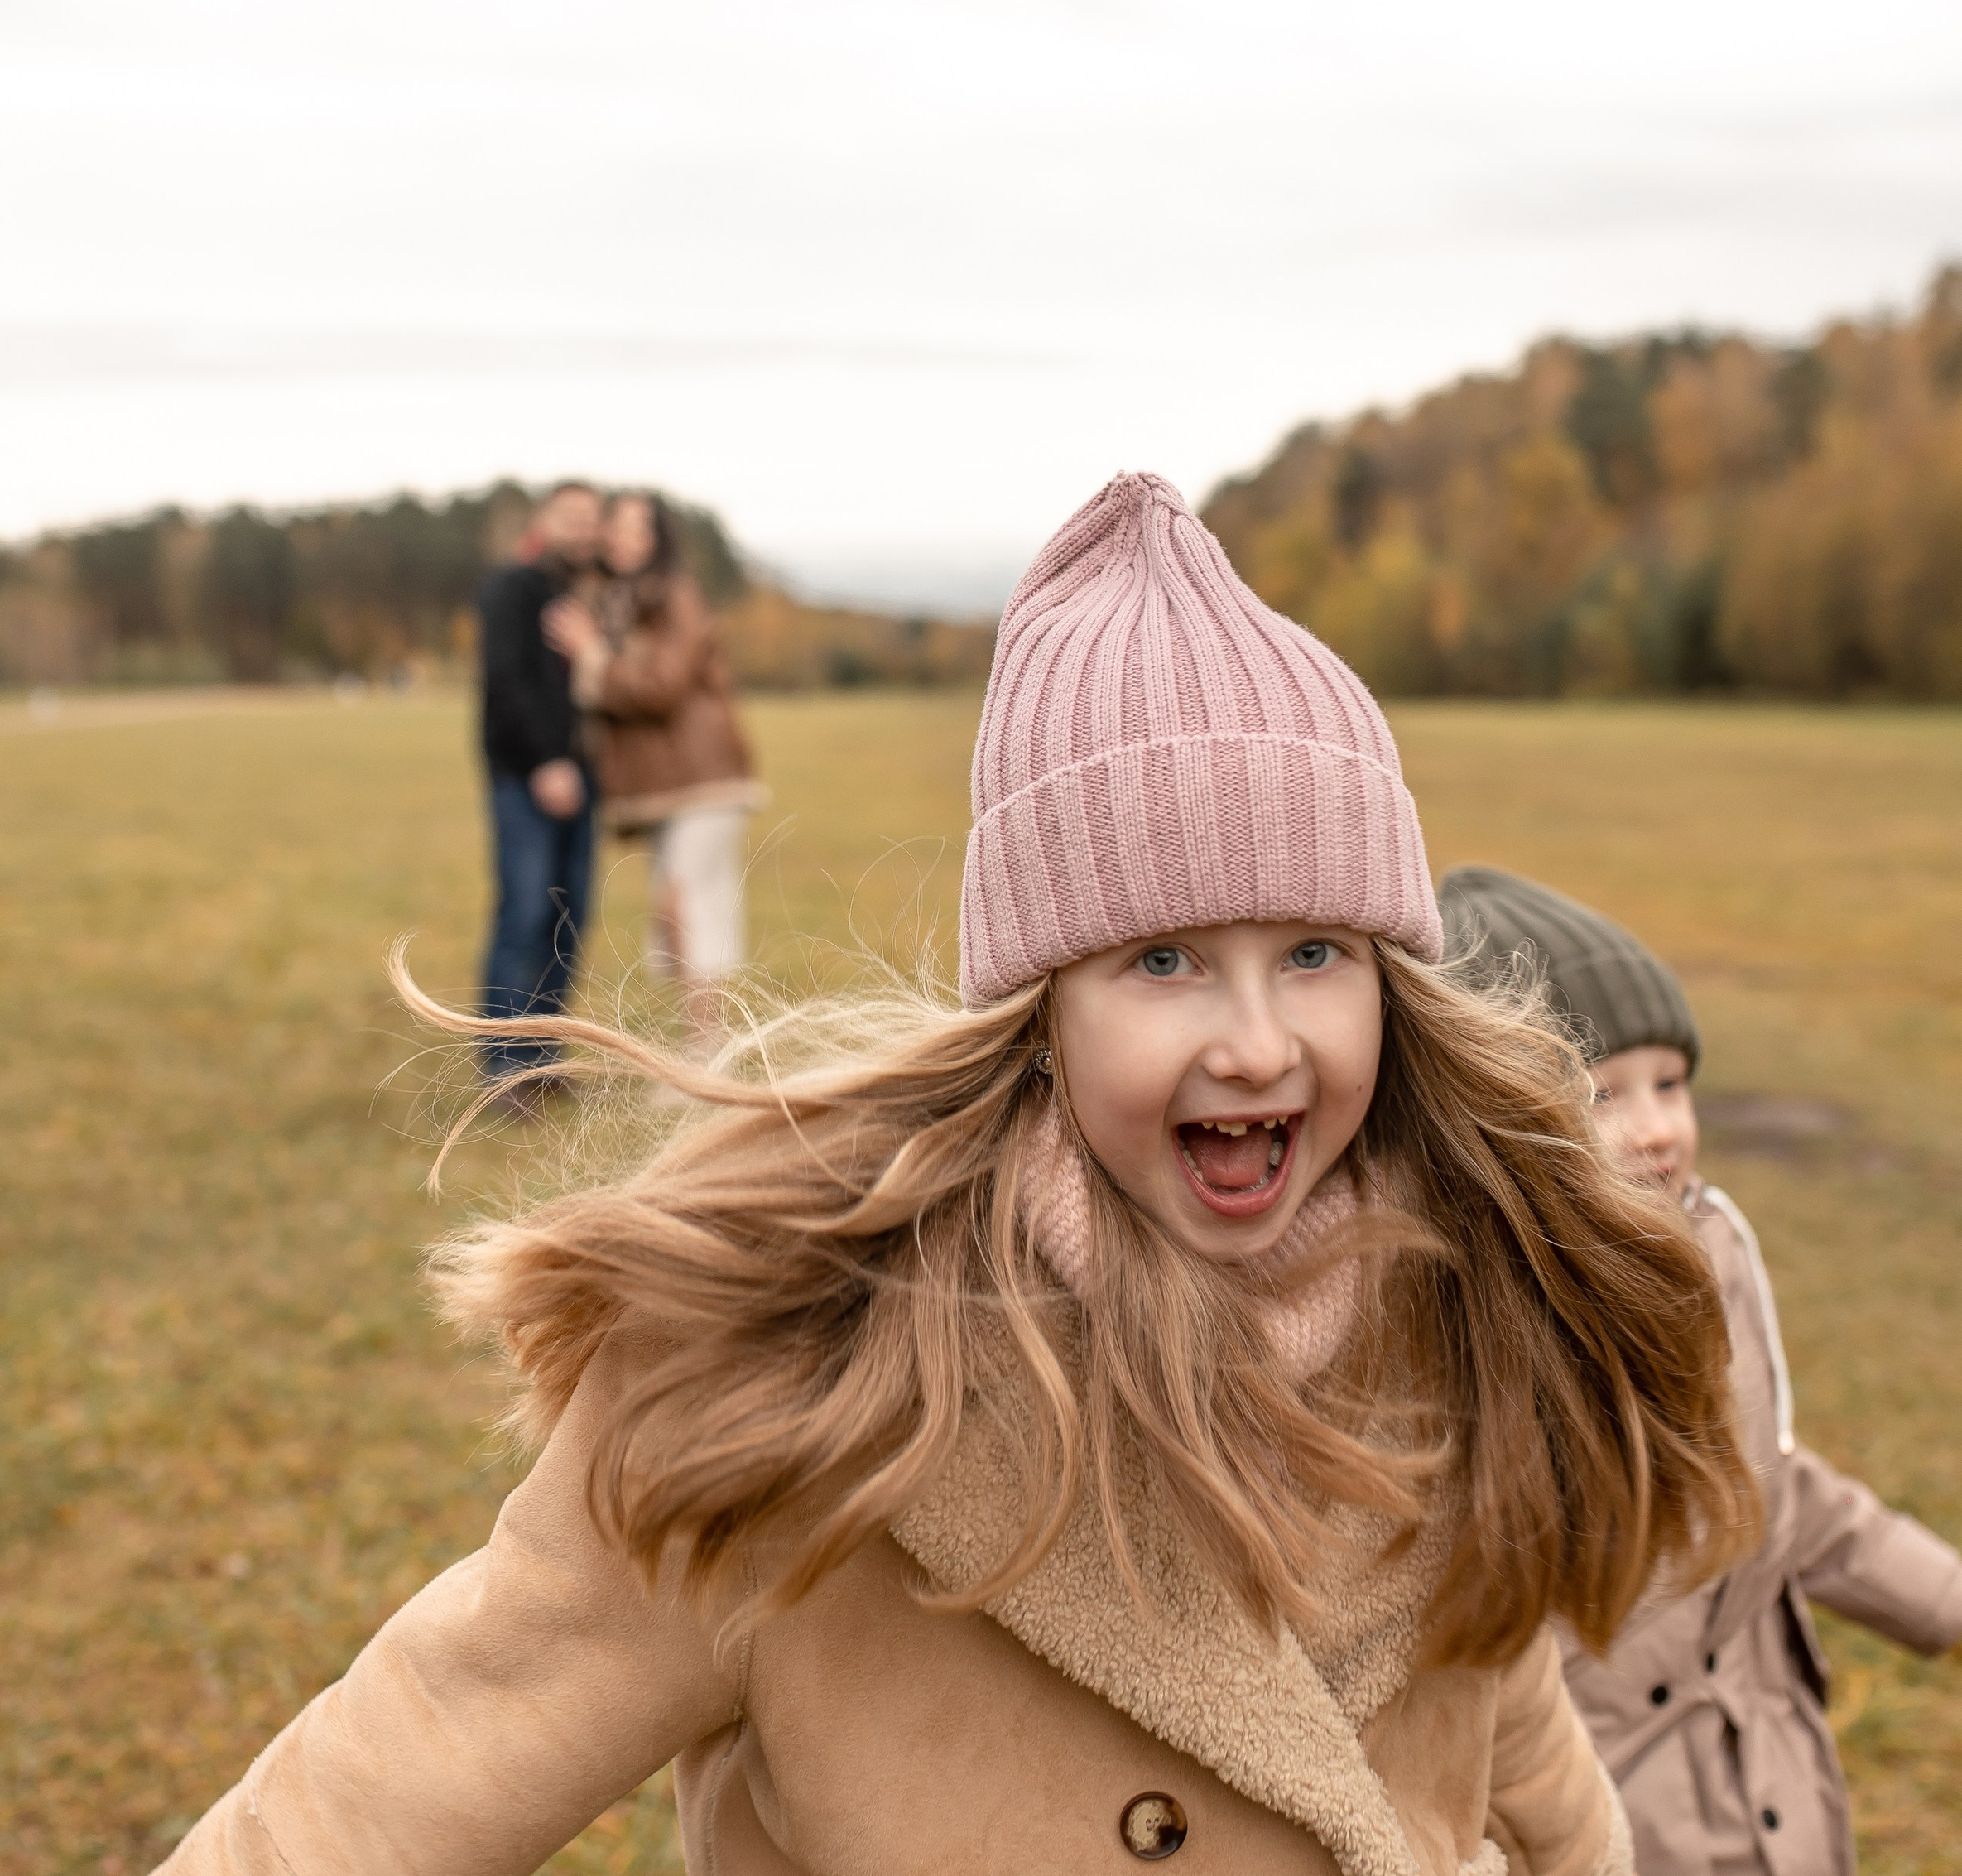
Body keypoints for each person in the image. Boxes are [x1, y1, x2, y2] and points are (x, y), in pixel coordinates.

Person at [158, 475, 1760, 1876]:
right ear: (1041, 1012)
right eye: (1164, 960)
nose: (1259, 1042)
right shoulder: (790, 1401)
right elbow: (403, 1774)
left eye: (1317, 953)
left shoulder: (1459, 1314)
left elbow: (1514, 1730)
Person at [1438, 865, 1962, 1876]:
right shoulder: (1465, 1333)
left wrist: (1942, 1598)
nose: (1657, 1128)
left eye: (1670, 1083)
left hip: (1772, 1784)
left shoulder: (1711, 1250)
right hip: (1615, 1823)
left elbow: (1767, 1486)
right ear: (1490, 1123)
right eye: (1602, 1093)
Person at [545, 490, 762, 1050]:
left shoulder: (675, 595)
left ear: (659, 540)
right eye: (617, 526)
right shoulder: (620, 602)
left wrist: (591, 653)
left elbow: (663, 687)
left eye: (638, 529)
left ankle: (704, 1054)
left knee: (684, 908)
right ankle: (705, 1047)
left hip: (705, 779)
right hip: (666, 788)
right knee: (679, 915)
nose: (624, 538)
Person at [477, 480, 601, 1082]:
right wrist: (546, 762)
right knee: (525, 914)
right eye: (569, 516)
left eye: (591, 519)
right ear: (543, 521)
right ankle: (504, 1063)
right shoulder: (512, 587)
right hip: (525, 781)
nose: (581, 530)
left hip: (584, 780)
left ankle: (544, 1055)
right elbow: (505, 683)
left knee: (568, 920)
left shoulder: (584, 598)